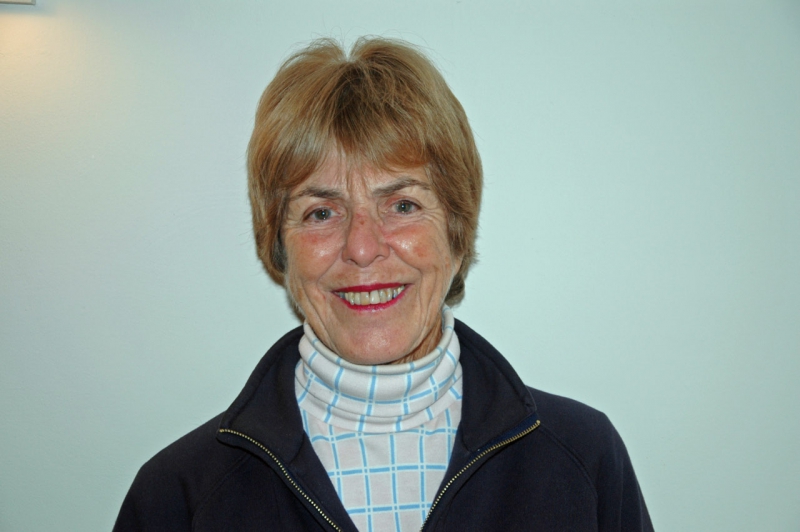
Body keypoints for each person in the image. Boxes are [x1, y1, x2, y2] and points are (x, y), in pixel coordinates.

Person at [113, 37, 653, 532]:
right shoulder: (178, 497)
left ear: (456, 232)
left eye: (402, 205)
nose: (362, 247)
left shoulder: (584, 460)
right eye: (322, 212)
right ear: (278, 246)